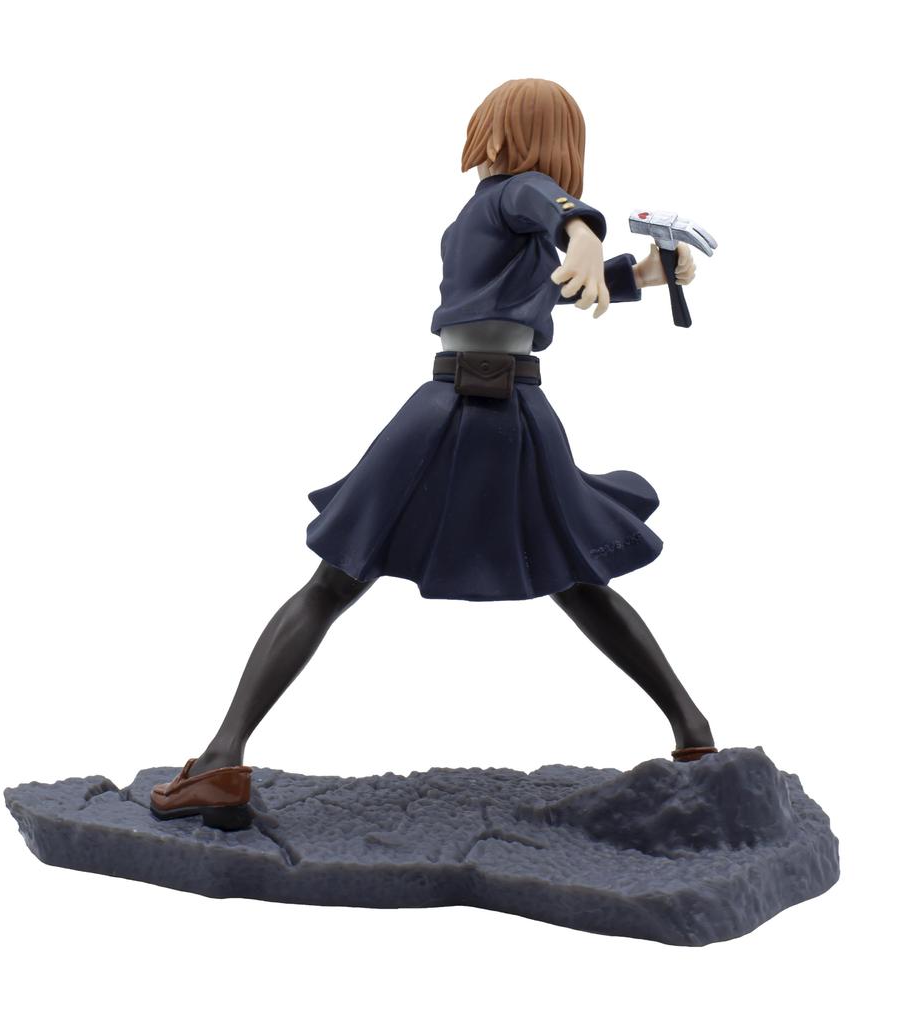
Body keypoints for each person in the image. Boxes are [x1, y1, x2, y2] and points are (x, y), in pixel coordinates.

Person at [151, 78, 716, 831]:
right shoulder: (503, 210)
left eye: (492, 128)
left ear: (509, 135)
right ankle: (693, 734)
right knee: (576, 578)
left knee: (337, 578)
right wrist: (626, 266)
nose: (481, 142)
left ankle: (222, 761)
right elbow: (539, 277)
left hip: (457, 408)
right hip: (512, 412)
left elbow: (556, 212)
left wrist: (591, 238)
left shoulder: (516, 193)